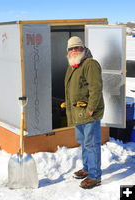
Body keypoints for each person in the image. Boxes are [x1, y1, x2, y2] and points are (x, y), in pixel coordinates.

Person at [65, 36, 104, 189]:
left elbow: (96, 87)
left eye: (77, 47)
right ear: (67, 51)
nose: (74, 50)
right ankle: (87, 168)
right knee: (84, 142)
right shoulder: (73, 65)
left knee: (91, 144)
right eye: (71, 48)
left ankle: (94, 176)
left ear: (83, 48)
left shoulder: (90, 64)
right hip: (78, 112)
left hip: (88, 112)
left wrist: (91, 108)